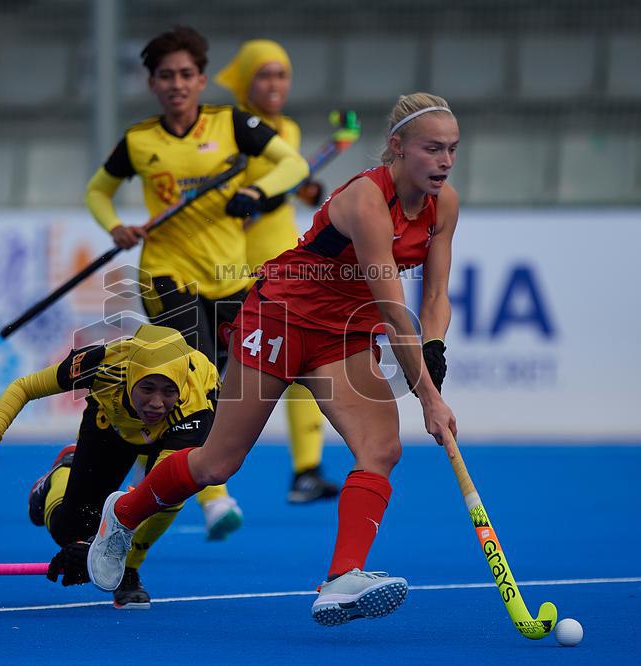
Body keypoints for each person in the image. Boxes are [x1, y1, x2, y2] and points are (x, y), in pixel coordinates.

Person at [83, 92, 461, 626]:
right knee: (217, 462)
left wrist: (434, 349)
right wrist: (429, 396)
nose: (444, 162)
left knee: (381, 448)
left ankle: (340, 580)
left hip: (340, 335)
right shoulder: (366, 202)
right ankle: (121, 515)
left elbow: (435, 297)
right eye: (432, 149)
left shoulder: (444, 204)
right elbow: (393, 308)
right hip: (279, 316)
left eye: (452, 150)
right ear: (397, 148)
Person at [84, 26, 309, 538]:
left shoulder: (232, 124)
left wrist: (256, 189)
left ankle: (143, 477)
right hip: (165, 274)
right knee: (197, 374)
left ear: (202, 80)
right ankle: (214, 497)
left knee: (218, 388)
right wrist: (115, 226)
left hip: (229, 277)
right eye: (166, 76)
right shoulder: (140, 141)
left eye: (187, 75)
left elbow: (292, 164)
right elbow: (97, 192)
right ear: (152, 84)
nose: (177, 84)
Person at [0, 324, 223, 609]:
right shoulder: (104, 364)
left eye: (168, 391)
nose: (157, 403)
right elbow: (25, 387)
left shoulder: (197, 407)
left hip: (172, 434)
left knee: (167, 498)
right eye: (147, 388)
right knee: (69, 530)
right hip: (111, 424)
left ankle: (129, 571)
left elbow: (151, 494)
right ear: (131, 375)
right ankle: (60, 473)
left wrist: (98, 550)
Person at [214, 39, 338, 504]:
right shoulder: (228, 131)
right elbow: (237, 203)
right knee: (213, 371)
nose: (274, 84)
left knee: (301, 361)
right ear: (245, 80)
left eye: (281, 75)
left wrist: (301, 190)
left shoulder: (287, 128)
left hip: (283, 262)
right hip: (230, 265)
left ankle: (306, 470)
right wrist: (263, 197)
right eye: (264, 75)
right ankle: (181, 466)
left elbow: (278, 188)